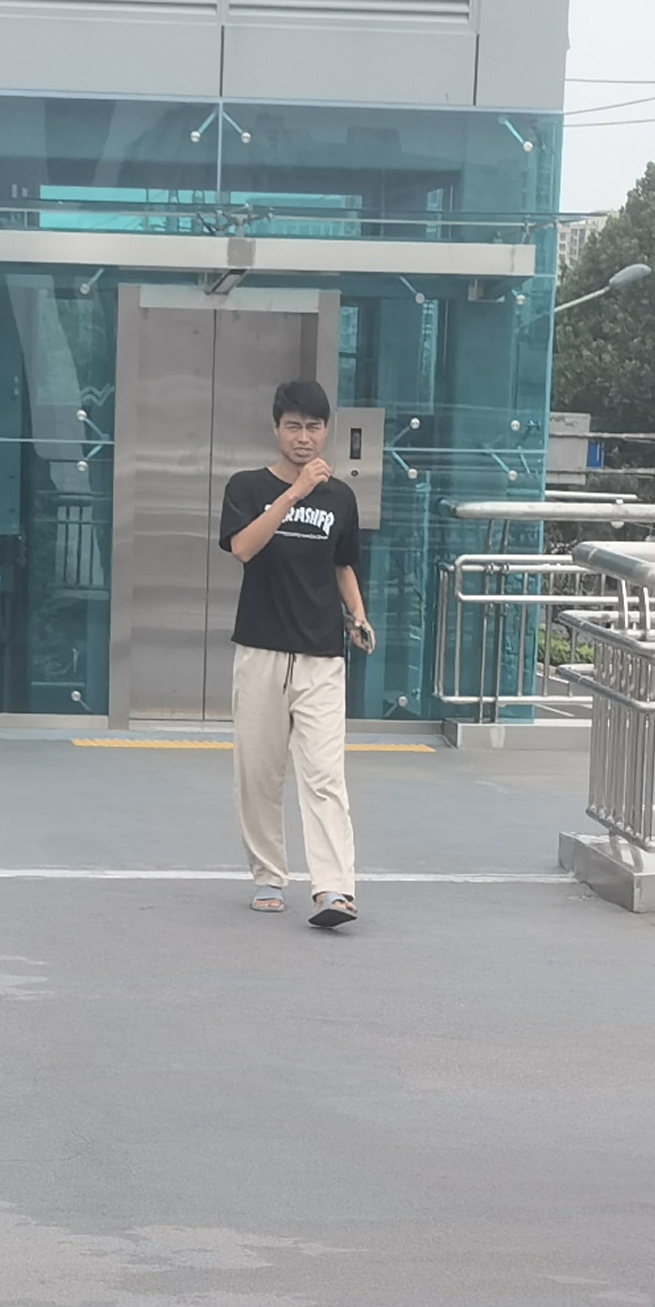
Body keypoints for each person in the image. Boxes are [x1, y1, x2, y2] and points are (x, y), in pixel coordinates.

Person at [215, 377, 372, 928]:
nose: (304, 438)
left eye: (314, 427)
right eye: (293, 427)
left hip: (321, 653)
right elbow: (243, 547)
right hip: (261, 649)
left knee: (325, 774)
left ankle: (334, 889)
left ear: (327, 430)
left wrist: (358, 615)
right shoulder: (247, 487)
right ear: (276, 429)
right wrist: (294, 493)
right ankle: (268, 875)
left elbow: (342, 563)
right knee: (258, 773)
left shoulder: (341, 498)